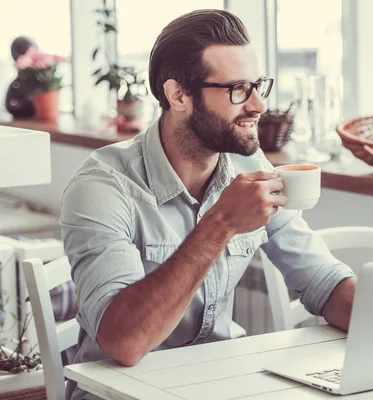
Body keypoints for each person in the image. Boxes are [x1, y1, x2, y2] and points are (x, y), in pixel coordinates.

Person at [60, 9, 356, 400]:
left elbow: (323, 282)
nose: (257, 106)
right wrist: (220, 225)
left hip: (220, 384)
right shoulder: (103, 187)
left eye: (257, 86)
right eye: (237, 89)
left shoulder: (250, 165)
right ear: (178, 95)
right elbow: (125, 342)